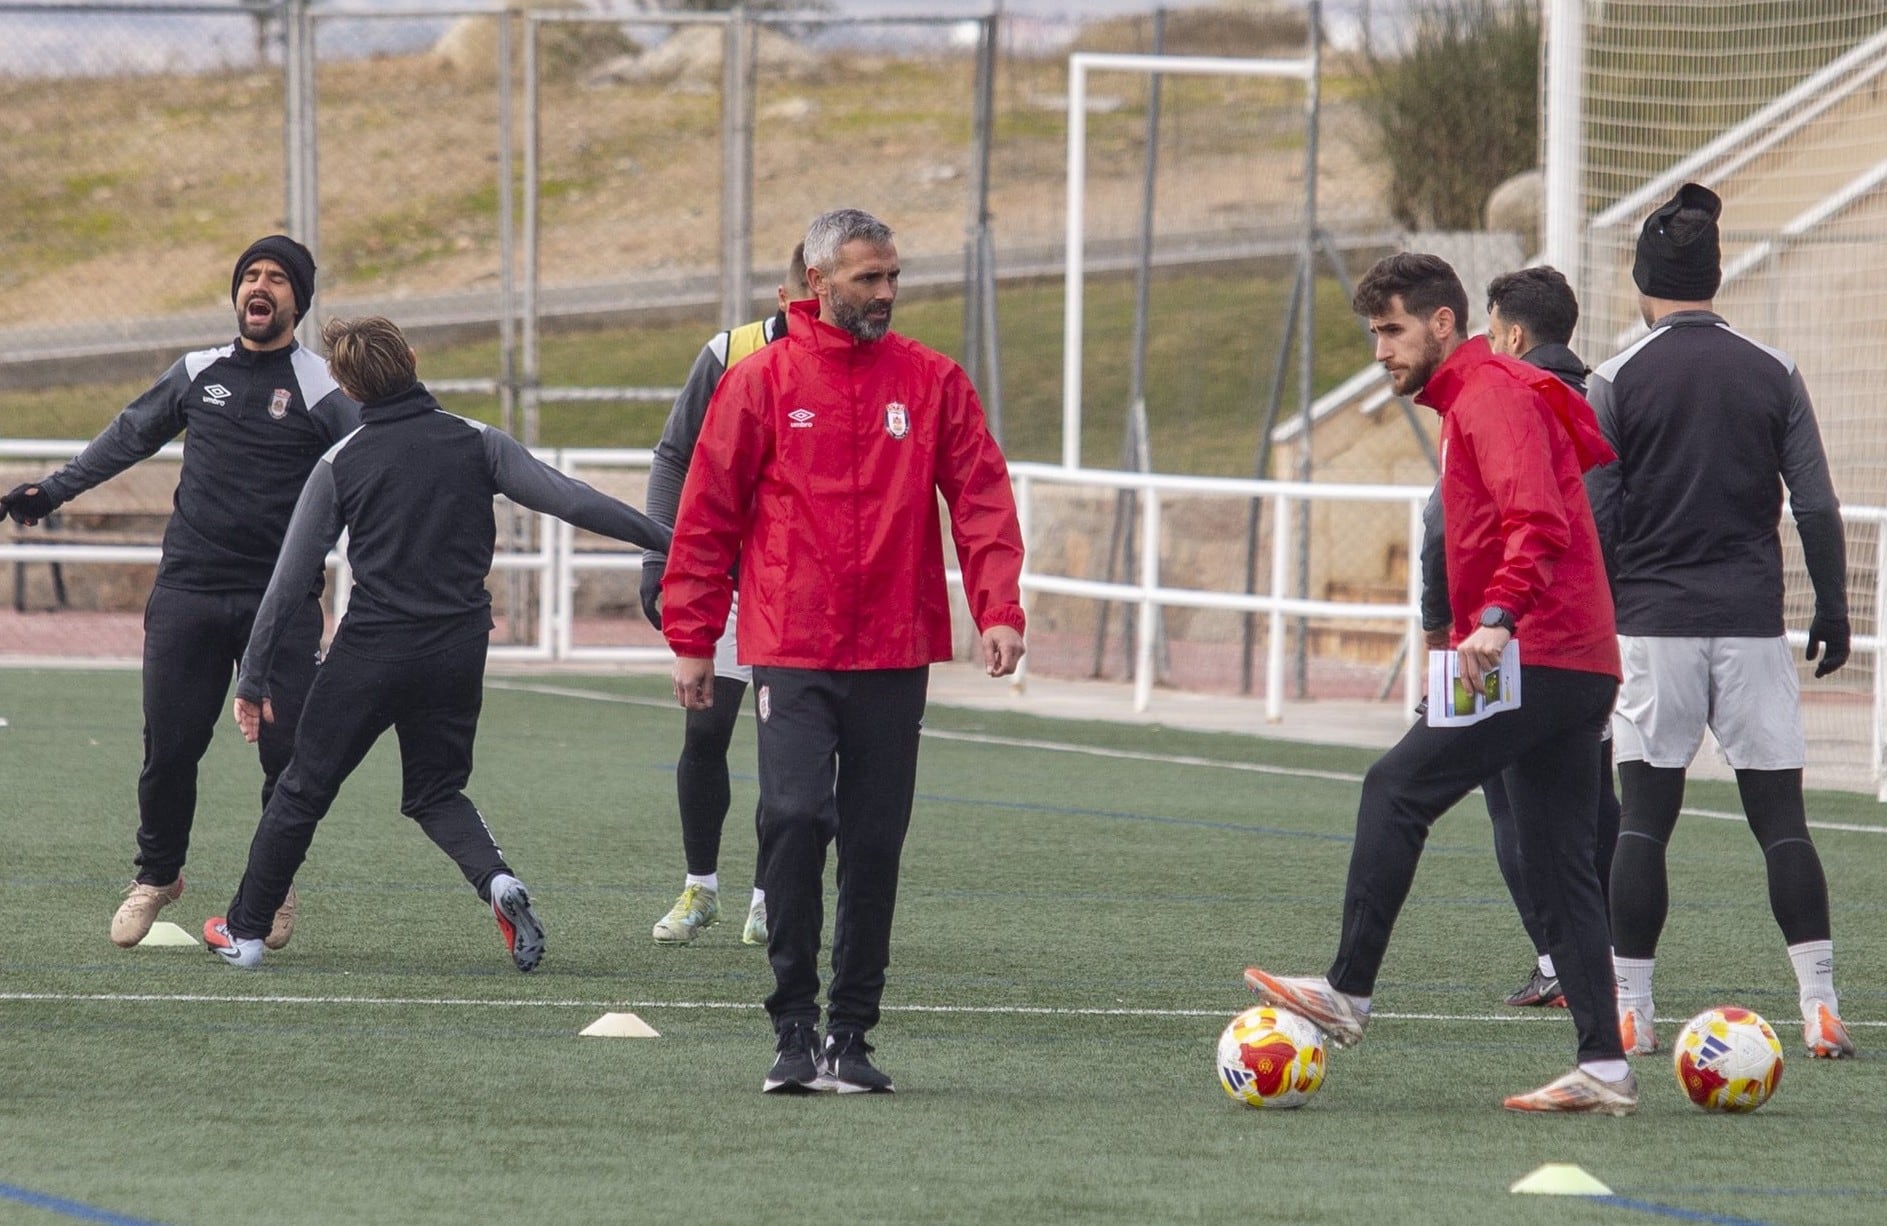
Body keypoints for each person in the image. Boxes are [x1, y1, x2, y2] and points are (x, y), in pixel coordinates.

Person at [1245, 252, 1636, 1114]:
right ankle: (1604, 1066)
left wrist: (1494, 617)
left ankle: (1346, 991)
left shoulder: (1489, 392)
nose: (1380, 350)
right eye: (1374, 333)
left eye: (1390, 330)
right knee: (1561, 864)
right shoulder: (1485, 392)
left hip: (1536, 652)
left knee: (1394, 789)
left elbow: (1534, 513)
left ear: (1442, 323)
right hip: (1571, 659)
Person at [662, 208, 1026, 1094]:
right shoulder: (760, 382)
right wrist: (693, 635)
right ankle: (791, 1025)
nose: (887, 293)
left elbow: (980, 497)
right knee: (791, 819)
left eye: (894, 276)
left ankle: (851, 1035)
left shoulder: (933, 381)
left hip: (895, 650)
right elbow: (706, 513)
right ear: (818, 284)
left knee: (872, 842)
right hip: (791, 645)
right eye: (870, 278)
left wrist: (998, 608)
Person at [202, 315, 669, 971]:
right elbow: (572, 500)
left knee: (303, 789)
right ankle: (496, 881)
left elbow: (286, 583)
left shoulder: (341, 460)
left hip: (372, 650)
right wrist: (671, 542)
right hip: (457, 649)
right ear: (414, 361)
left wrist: (251, 679)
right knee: (435, 791)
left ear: (343, 387)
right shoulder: (477, 441)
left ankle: (245, 931)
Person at [0, 236, 358, 950]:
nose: (261, 286)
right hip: (188, 591)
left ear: (298, 300)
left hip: (278, 604)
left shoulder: (324, 388)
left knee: (285, 754)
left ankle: (272, 885)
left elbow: (377, 472)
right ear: (236, 294)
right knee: (169, 747)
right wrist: (51, 490)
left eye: (277, 279)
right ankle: (157, 874)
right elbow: (127, 437)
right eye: (250, 275)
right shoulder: (198, 371)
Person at [1585, 183, 1855, 1059]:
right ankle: (1819, 1007)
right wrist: (1833, 605)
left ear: (1642, 283)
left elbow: (1598, 515)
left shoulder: (1615, 378)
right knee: (1780, 821)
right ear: (1713, 276)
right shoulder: (1771, 369)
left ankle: (1631, 1010)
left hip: (1652, 627)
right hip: (1748, 624)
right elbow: (1813, 503)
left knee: (1640, 822)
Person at [1416, 265, 1620, 1011]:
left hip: (1509, 633)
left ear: (1506, 332)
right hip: (1603, 639)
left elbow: (1444, 526)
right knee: (1595, 806)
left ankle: (1555, 957)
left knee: (1504, 800)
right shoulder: (1608, 394)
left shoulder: (1498, 394)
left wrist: (1440, 629)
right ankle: (1612, 970)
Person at [638, 244, 811, 948]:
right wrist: (659, 552)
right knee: (705, 733)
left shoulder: (855, 364)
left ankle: (769, 897)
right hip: (731, 583)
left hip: (801, 591)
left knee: (788, 750)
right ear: (786, 294)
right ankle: (700, 888)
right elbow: (674, 454)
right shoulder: (729, 352)